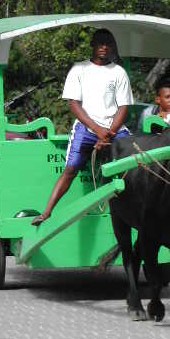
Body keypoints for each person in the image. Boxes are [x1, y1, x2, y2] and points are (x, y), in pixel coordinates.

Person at [32, 29, 133, 226]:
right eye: (100, 43)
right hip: (87, 129)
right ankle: (47, 212)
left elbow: (123, 107)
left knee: (134, 164)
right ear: (92, 45)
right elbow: (74, 105)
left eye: (108, 44)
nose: (104, 47)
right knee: (70, 169)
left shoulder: (118, 72)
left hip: (114, 130)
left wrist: (108, 134)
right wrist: (97, 131)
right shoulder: (79, 69)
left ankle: (135, 210)